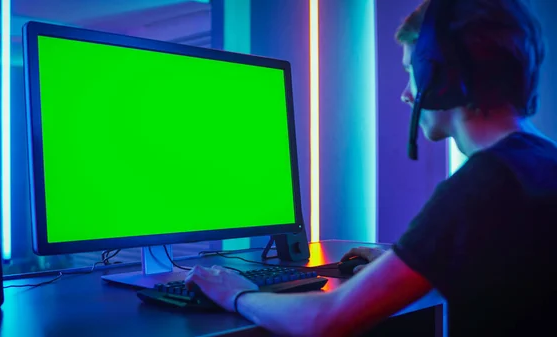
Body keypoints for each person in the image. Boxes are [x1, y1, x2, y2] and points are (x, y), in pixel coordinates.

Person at [185, 0, 557, 336]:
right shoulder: (543, 163)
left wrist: (237, 295)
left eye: (412, 72)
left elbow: (326, 320)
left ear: (437, 77)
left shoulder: (483, 186)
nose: (406, 94)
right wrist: (404, 262)